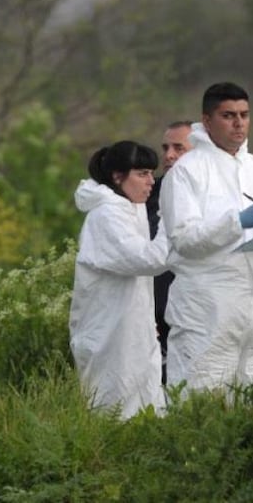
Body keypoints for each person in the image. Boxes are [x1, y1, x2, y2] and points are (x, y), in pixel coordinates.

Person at [158, 82, 253, 392]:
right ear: (207, 119)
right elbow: (184, 240)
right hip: (209, 307)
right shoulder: (187, 172)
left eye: (244, 114)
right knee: (201, 395)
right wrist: (234, 223)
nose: (239, 123)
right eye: (228, 115)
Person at [69, 140, 169, 420]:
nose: (151, 182)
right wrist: (170, 222)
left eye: (151, 173)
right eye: (142, 174)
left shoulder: (128, 208)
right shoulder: (106, 215)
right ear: (117, 176)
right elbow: (147, 260)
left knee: (143, 408)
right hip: (110, 335)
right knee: (114, 414)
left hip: (131, 330)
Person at [146, 120, 193, 384]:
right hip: (154, 316)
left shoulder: (213, 196)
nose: (169, 155)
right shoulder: (148, 196)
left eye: (179, 148)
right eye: (165, 148)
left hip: (194, 311)